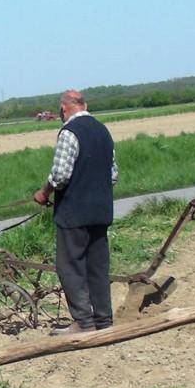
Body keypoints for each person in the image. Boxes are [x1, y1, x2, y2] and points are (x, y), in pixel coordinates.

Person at [33, 90, 118, 334]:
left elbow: (60, 176)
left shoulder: (69, 132)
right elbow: (113, 175)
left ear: (63, 109)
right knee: (98, 267)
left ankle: (83, 321)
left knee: (69, 266)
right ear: (85, 105)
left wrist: (43, 192)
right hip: (101, 212)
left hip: (74, 213)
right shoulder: (103, 130)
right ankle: (104, 320)